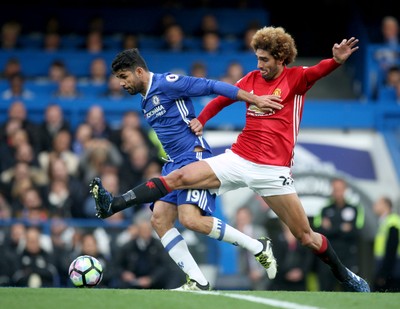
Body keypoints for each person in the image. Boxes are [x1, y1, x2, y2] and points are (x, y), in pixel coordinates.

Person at [90, 26, 371, 292]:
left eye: (264, 59)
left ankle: (347, 276)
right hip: (238, 158)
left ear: (281, 57)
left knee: (306, 237)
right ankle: (116, 203)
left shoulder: (296, 78)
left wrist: (335, 61)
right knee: (178, 177)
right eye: (257, 58)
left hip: (273, 171)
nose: (259, 64)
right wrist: (201, 119)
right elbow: (222, 99)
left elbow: (320, 70)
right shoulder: (250, 79)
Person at [90, 47, 282, 291]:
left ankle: (257, 247)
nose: (121, 84)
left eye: (124, 77)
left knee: (191, 220)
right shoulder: (144, 99)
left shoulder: (169, 83)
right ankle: (198, 281)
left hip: (194, 156)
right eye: (118, 79)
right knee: (159, 219)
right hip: (173, 162)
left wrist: (254, 99)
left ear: (139, 71)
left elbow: (213, 86)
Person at [313, 177, 365, 291]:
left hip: (348, 257)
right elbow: (318, 232)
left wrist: (332, 228)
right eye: (335, 189)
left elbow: (357, 231)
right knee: (325, 291)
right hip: (328, 257)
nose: (337, 192)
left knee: (349, 292)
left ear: (345, 190)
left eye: (340, 189)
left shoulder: (355, 208)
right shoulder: (324, 209)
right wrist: (342, 227)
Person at [372, 196, 400, 292]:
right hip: (387, 266)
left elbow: (391, 248)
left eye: (377, 203)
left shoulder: (392, 221)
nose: (374, 206)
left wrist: (383, 273)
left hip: (393, 268)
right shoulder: (385, 221)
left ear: (385, 205)